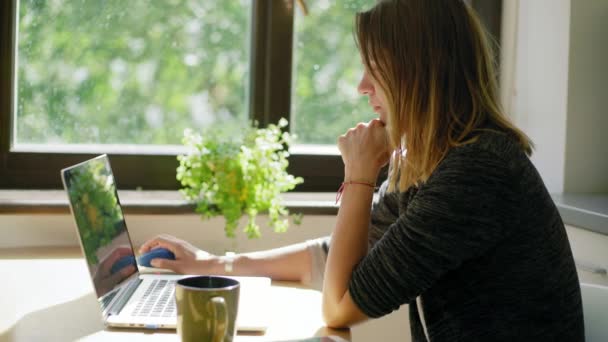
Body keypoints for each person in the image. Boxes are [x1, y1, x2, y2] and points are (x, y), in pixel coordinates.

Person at [141, 0, 585, 340]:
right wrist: (216, 262)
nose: (362, 87)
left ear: (419, 73)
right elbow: (338, 259)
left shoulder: (477, 173)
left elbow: (339, 306)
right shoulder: (443, 161)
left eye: (374, 69)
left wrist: (359, 176)